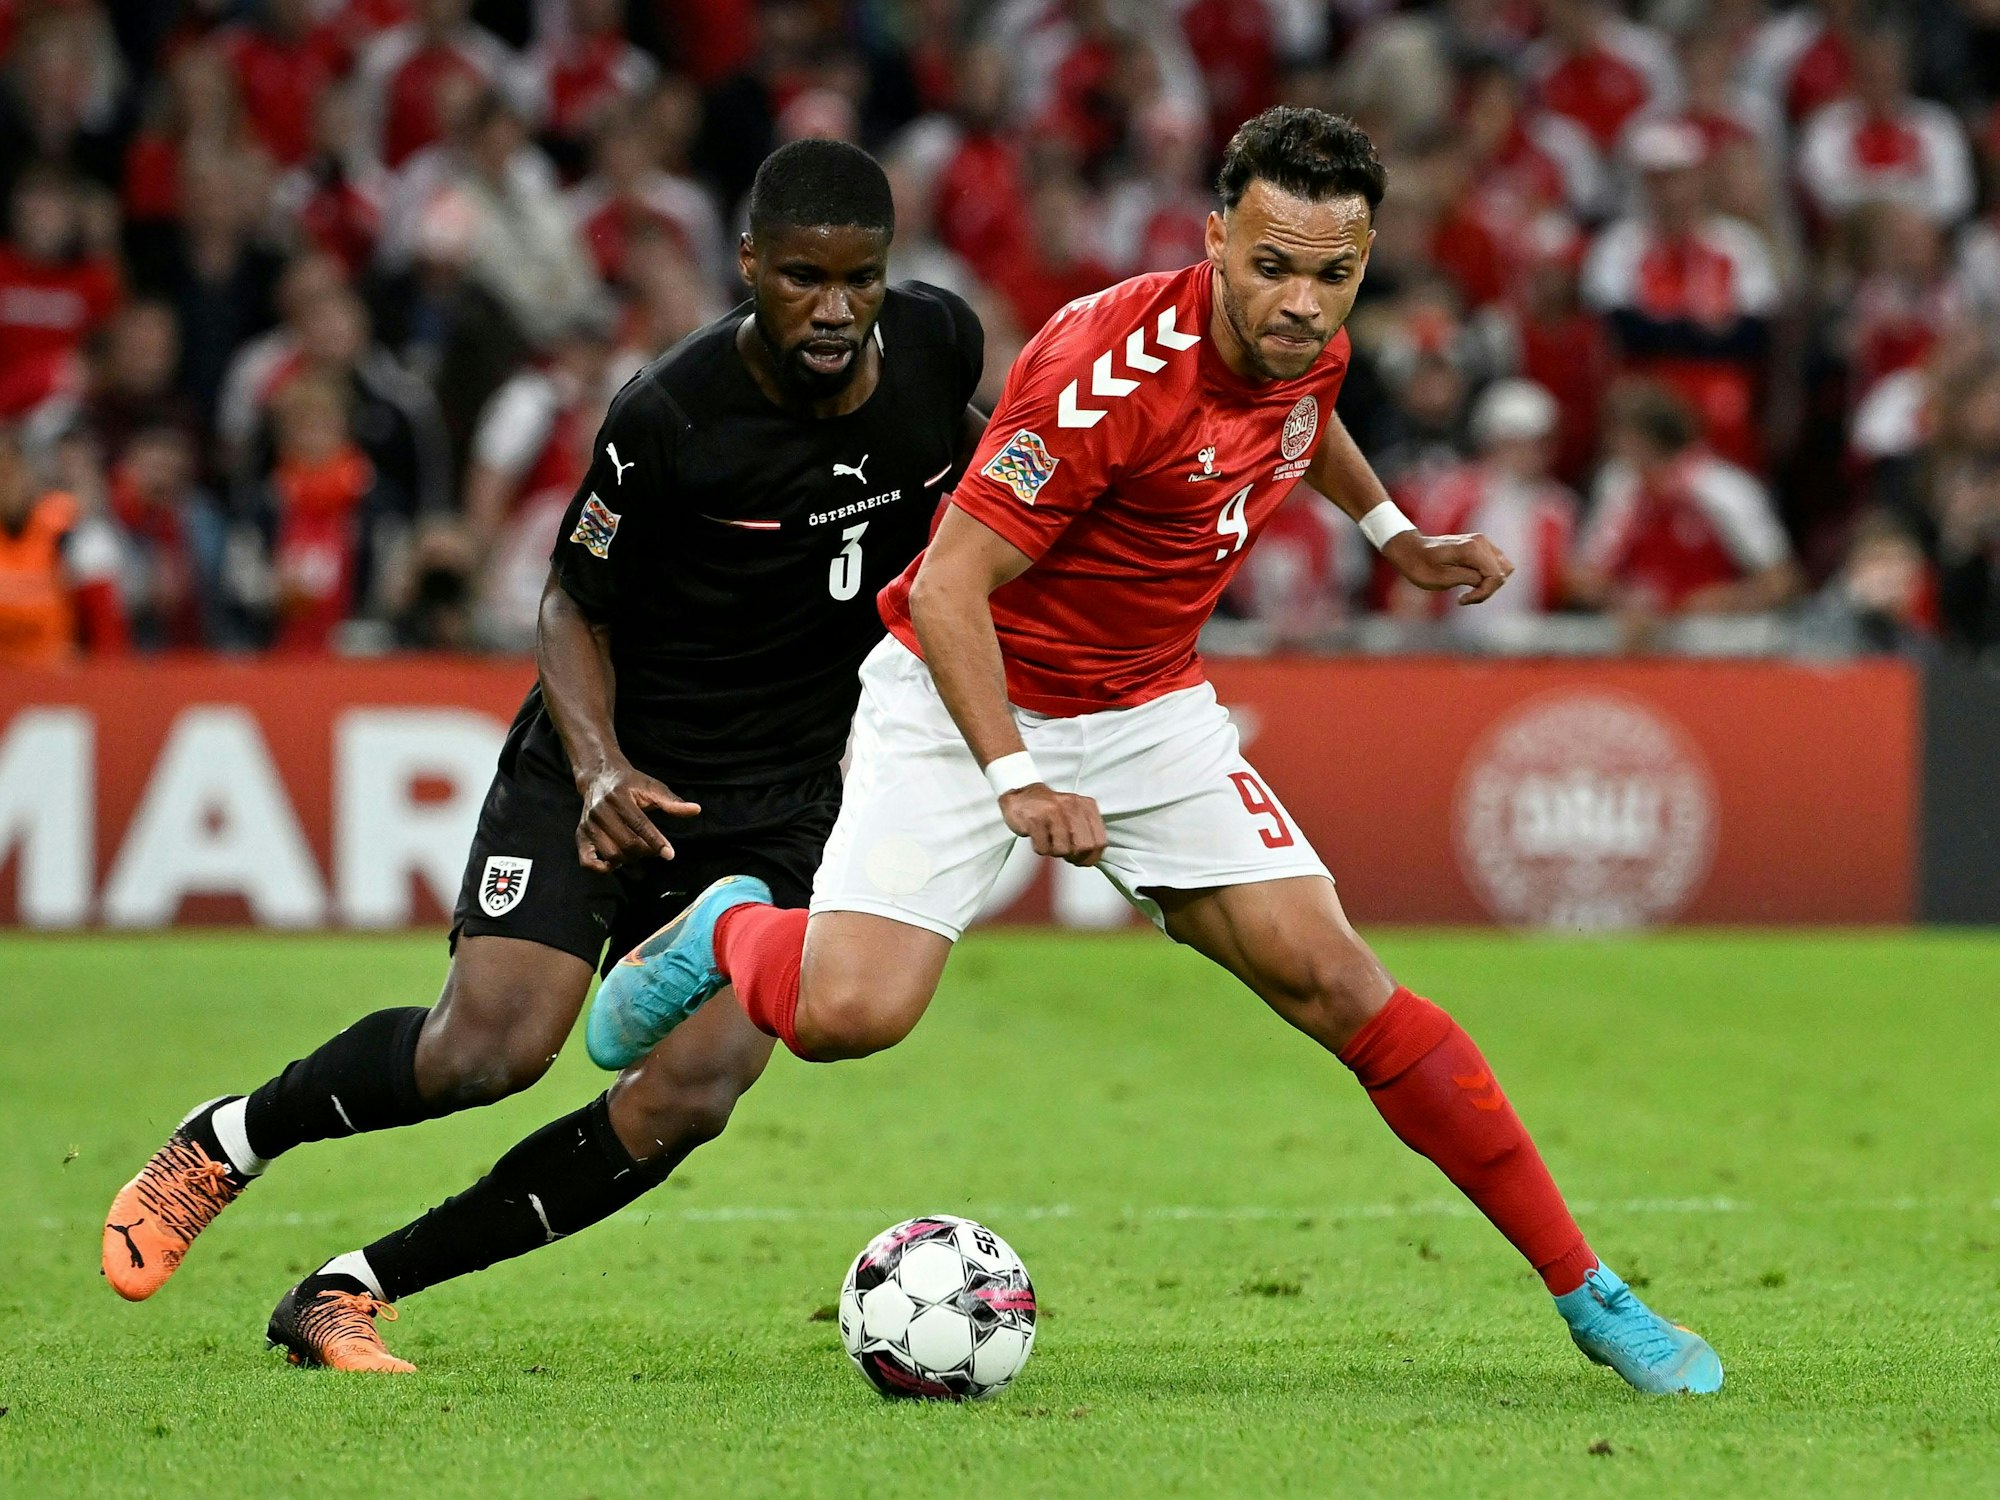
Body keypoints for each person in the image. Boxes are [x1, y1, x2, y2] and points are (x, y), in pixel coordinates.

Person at [589, 106, 1724, 1396]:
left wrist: (1392, 531)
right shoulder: (1103, 378)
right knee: (850, 1017)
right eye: (1271, 267)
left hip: (1149, 711)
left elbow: (1311, 410)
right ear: (1212, 240)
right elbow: (951, 591)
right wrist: (1018, 779)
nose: (1301, 302)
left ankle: (1590, 1295)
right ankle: (727, 927)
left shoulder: (1310, 337)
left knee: (1340, 986)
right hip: (969, 699)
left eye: (1332, 274)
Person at [99, 138, 987, 1372]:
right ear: (747, 267)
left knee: (690, 1094)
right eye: (800, 277)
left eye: (859, 279)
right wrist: (601, 767)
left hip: (786, 801)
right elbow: (571, 606)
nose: (833, 309)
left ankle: (349, 1293)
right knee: (489, 1051)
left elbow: (981, 468)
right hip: (616, 768)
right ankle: (229, 1139)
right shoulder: (670, 415)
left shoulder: (940, 345)